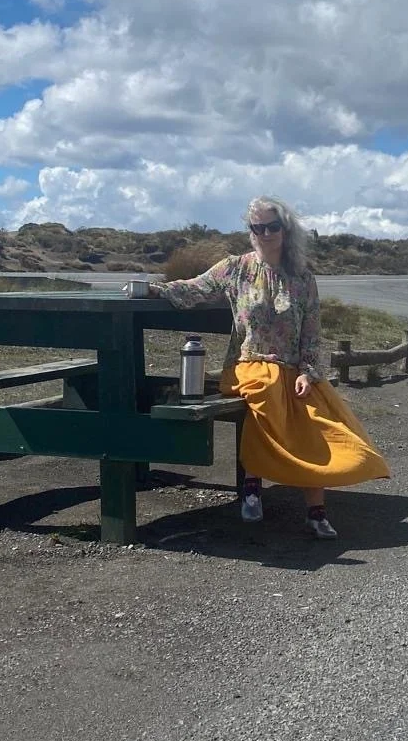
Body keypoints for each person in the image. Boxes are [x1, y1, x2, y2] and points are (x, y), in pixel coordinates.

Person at [149, 197, 389, 538]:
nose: (265, 233)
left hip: (293, 369)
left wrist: (308, 372)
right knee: (265, 393)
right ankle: (251, 484)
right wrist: (155, 291)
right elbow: (194, 289)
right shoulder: (235, 268)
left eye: (272, 226)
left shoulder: (303, 279)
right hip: (249, 365)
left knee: (316, 419)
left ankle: (316, 511)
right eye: (257, 227)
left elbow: (311, 334)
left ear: (285, 229)